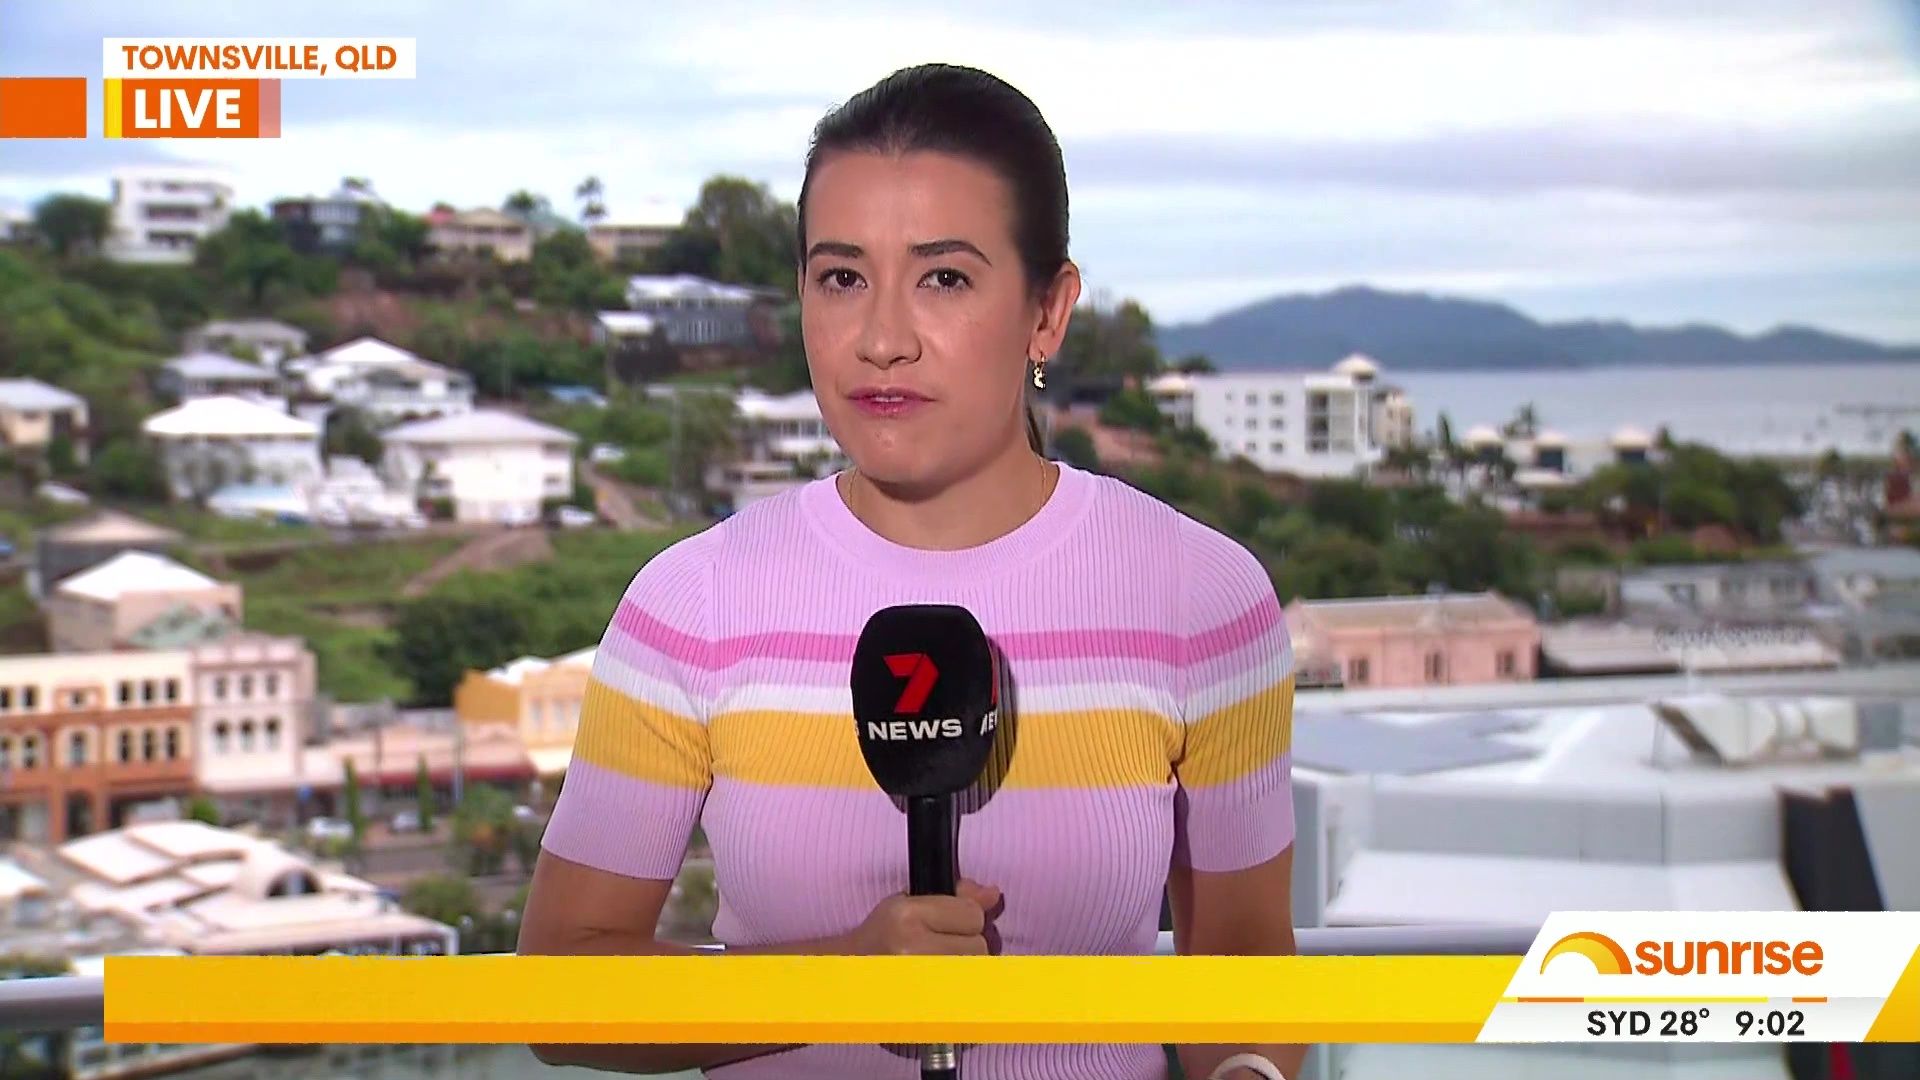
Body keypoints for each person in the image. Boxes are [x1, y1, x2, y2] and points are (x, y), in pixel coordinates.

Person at [519, 62, 1303, 1080]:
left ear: (1047, 312)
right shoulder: (691, 602)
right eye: (842, 278)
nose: (883, 340)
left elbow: (1242, 973)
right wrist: (841, 981)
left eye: (944, 278)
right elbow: (560, 992)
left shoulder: (1202, 596)